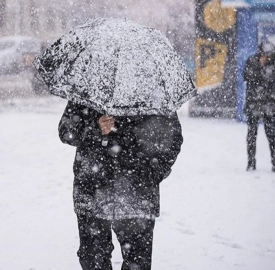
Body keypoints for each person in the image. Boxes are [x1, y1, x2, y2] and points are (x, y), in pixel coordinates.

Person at [58, 101, 183, 270]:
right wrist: (95, 128)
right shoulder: (89, 87)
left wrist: (152, 173)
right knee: (93, 259)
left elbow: (173, 138)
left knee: (137, 262)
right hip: (92, 191)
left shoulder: (152, 91)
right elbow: (66, 132)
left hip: (137, 195)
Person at [243, 42, 275, 172]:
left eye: (270, 56)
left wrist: (272, 74)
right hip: (254, 103)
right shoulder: (252, 61)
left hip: (269, 103)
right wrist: (259, 67)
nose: (268, 58)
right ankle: (251, 163)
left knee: (272, 134)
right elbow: (246, 76)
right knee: (252, 133)